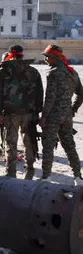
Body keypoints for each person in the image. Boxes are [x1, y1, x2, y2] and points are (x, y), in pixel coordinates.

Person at [0, 45, 43, 179]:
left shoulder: (3, 71)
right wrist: (37, 112)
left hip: (10, 113)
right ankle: (30, 168)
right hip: (29, 113)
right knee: (29, 140)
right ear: (22, 55)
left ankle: (11, 171)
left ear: (9, 54)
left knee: (11, 142)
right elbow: (39, 94)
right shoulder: (33, 72)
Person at [38, 45, 83, 185]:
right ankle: (78, 177)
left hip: (54, 115)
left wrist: (44, 117)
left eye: (47, 56)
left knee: (48, 144)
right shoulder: (72, 73)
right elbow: (81, 95)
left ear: (55, 58)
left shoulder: (53, 73)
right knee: (69, 145)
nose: (45, 59)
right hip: (67, 115)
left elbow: (50, 98)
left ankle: (46, 177)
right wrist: (73, 108)